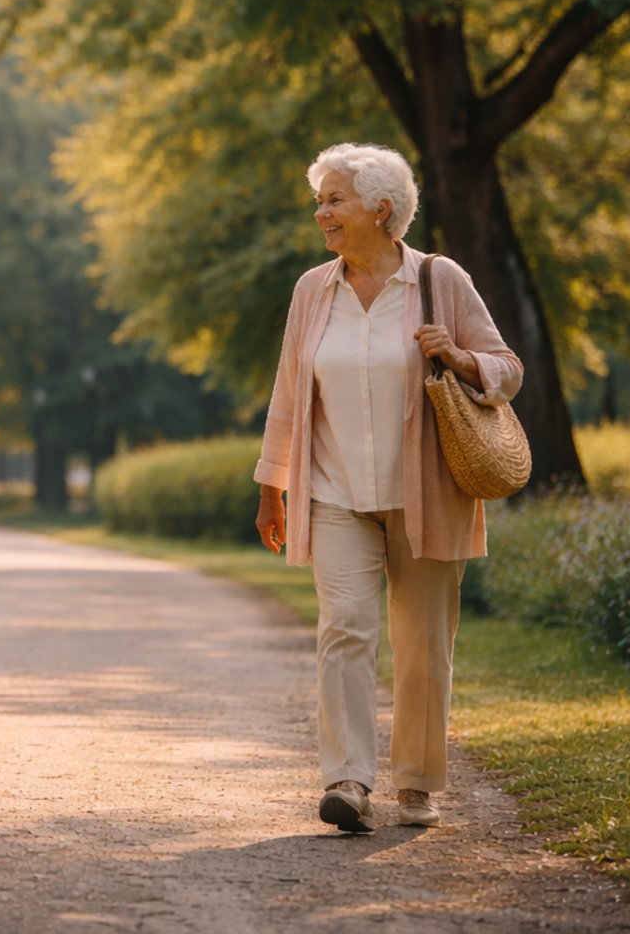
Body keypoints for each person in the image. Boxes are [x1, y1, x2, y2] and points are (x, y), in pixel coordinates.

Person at [253, 143, 522, 833]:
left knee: (423, 643)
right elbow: (289, 391)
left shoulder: (438, 279)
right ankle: (347, 779)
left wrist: (459, 357)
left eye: (334, 200)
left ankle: (417, 783)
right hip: (334, 493)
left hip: (427, 493)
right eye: (320, 201)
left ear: (381, 208)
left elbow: (507, 367)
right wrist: (272, 485)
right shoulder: (313, 290)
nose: (322, 213)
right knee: (344, 626)